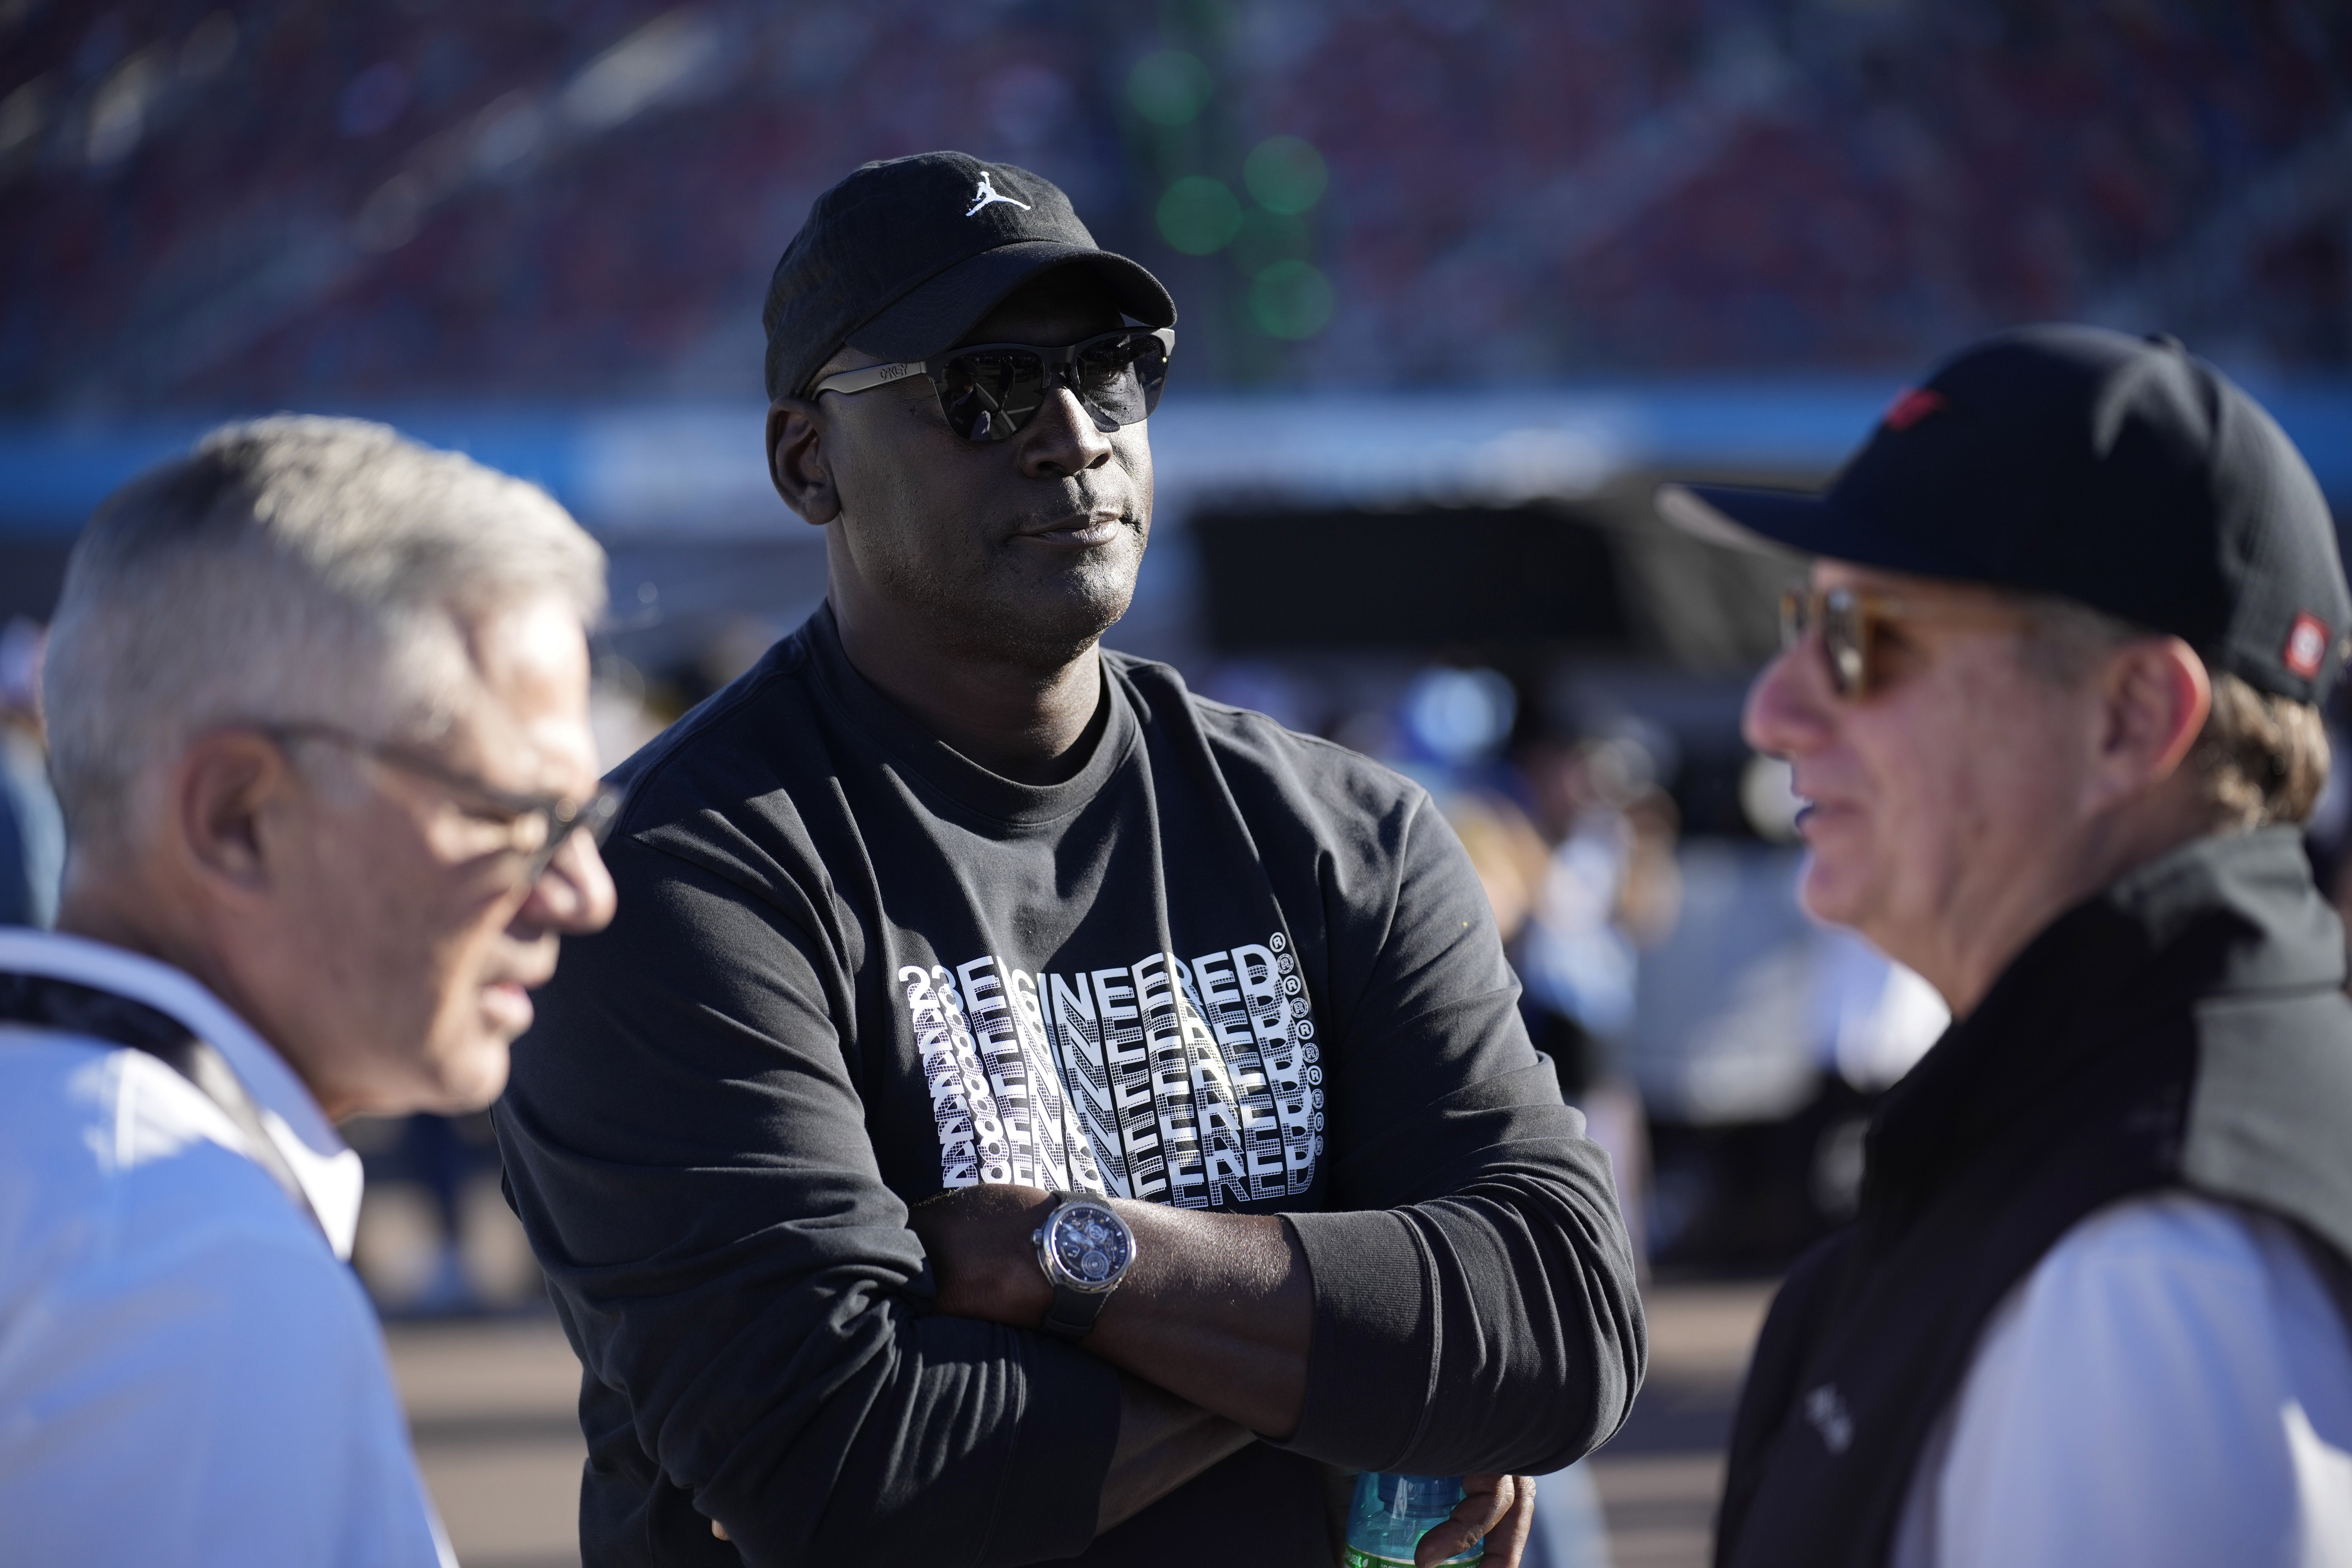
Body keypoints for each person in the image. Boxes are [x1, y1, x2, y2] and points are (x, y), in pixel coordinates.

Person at [496, 151, 1645, 1568]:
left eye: (1111, 369)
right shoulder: (665, 879)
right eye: (980, 385)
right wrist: (1356, 1362)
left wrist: (1072, 1259)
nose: (1071, 433)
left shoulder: (1349, 834)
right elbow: (847, 1472)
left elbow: (1565, 1321)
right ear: (809, 461)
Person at [1658, 326, 2352, 1568]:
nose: (1775, 707)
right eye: (1796, 622)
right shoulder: (2100, 1160)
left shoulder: (2160, 1281)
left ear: (2132, 718)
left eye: (1866, 636)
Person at [0, 417, 619, 1564]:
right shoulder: (173, 1251)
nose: (583, 892)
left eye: (587, 820)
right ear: (240, 818)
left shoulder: (93, 1177)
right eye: (519, 817)